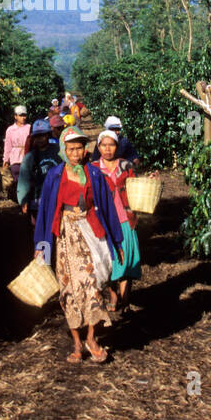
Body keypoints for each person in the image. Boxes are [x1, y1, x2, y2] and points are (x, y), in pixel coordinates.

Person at [33, 126, 125, 363]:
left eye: (80, 148)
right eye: (71, 149)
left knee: (94, 284)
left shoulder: (94, 175)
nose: (76, 153)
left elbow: (107, 209)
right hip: (66, 238)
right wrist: (41, 245)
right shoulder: (55, 175)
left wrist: (117, 241)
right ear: (64, 150)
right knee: (70, 290)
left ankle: (91, 338)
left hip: (91, 233)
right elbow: (45, 213)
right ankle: (77, 343)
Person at [92, 129, 141, 312]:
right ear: (98, 147)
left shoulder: (126, 165)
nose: (107, 149)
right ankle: (114, 295)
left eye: (111, 145)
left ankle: (126, 300)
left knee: (127, 261)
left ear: (117, 147)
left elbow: (136, 187)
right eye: (103, 145)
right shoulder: (94, 169)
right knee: (110, 262)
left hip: (126, 219)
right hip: (105, 222)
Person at [17, 119, 60, 226]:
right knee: (39, 229)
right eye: (37, 136)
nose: (40, 139)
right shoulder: (30, 157)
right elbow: (24, 180)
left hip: (57, 197)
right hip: (37, 201)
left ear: (48, 135)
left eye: (43, 135)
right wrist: (23, 200)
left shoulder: (58, 151)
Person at [1, 105, 31, 203]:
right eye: (21, 115)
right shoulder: (10, 130)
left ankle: (26, 200)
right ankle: (19, 200)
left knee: (27, 179)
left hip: (26, 156)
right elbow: (8, 145)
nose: (23, 117)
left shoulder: (29, 128)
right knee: (16, 179)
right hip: (15, 157)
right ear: (15, 116)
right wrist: (5, 160)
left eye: (24, 115)